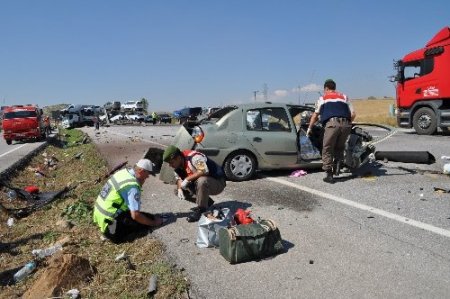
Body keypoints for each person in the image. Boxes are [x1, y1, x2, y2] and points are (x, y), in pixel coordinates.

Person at [93, 159, 163, 243]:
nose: (147, 177)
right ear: (141, 171)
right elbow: (135, 215)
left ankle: (109, 230)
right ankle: (114, 235)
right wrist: (154, 223)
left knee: (146, 216)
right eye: (147, 173)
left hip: (101, 217)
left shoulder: (122, 173)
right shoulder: (132, 186)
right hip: (111, 228)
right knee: (147, 220)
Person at [307, 79, 356, 183]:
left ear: (326, 88)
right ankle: (337, 166)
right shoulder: (344, 97)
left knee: (327, 148)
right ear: (334, 88)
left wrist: (310, 128)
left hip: (332, 124)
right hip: (346, 124)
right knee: (339, 147)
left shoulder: (323, 98)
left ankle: (329, 174)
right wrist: (347, 123)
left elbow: (315, 115)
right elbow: (353, 114)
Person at [162, 145, 226, 222]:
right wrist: (179, 189)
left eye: (171, 162)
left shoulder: (194, 157)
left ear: (178, 158)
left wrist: (187, 179)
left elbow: (204, 171)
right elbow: (178, 179)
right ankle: (207, 202)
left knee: (202, 181)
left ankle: (201, 209)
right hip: (204, 183)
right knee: (177, 190)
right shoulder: (177, 165)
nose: (170, 165)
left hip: (218, 182)